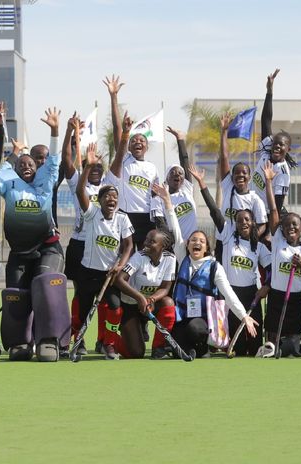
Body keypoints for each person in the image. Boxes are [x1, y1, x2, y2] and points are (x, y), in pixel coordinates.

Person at [0, 107, 70, 361]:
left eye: (30, 164)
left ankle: (49, 339)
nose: (26, 166)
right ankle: (20, 342)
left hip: (47, 248)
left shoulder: (46, 182)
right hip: (19, 252)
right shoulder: (9, 187)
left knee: (44, 282)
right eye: (21, 164)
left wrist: (54, 130)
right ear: (16, 169)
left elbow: (53, 161)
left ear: (37, 169)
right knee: (16, 293)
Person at [188, 164, 271, 356]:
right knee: (239, 349)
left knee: (255, 347)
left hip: (252, 296)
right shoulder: (227, 236)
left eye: (247, 220)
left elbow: (271, 268)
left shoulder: (257, 246)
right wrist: (202, 183)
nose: (243, 223)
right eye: (240, 220)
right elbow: (214, 211)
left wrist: (266, 285)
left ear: (253, 223)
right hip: (231, 295)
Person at [171, 188, 260, 359]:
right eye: (193, 240)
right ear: (188, 244)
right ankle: (191, 347)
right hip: (183, 315)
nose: (197, 243)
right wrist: (168, 202)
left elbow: (229, 294)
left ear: (206, 248)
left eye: (201, 241)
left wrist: (244, 317)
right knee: (177, 347)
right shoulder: (183, 258)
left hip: (205, 320)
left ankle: (205, 347)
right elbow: (174, 228)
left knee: (195, 329)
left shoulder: (214, 267)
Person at [74, 143, 134, 360]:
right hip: (88, 271)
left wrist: (120, 265)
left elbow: (128, 246)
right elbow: (80, 191)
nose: (111, 199)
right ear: (99, 201)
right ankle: (78, 342)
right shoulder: (92, 214)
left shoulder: (122, 219)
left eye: (114, 197)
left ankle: (108, 343)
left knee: (115, 308)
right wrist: (88, 168)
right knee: (82, 309)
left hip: (109, 275)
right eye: (107, 197)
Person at [112, 184, 178, 359]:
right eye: (147, 239)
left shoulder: (170, 259)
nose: (146, 243)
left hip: (151, 304)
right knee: (136, 353)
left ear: (162, 246)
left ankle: (158, 348)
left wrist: (150, 299)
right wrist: (140, 298)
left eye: (151, 241)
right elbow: (119, 280)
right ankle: (112, 342)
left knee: (168, 303)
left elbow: (165, 288)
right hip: (131, 305)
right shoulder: (139, 257)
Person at [262, 161, 301, 356]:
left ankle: (296, 343)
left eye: (295, 225)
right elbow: (274, 210)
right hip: (276, 295)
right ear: (282, 229)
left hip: (295, 298)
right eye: (288, 225)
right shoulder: (278, 242)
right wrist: (269, 182)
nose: (291, 227)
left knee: (291, 349)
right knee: (272, 347)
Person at [214, 113, 268, 261]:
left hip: (243, 244)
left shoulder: (255, 199)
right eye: (236, 173)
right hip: (223, 241)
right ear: (231, 178)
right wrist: (224, 131)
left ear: (249, 178)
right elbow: (224, 157)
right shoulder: (228, 188)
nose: (240, 175)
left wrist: (252, 236)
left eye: (244, 173)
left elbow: (263, 224)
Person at [110, 97, 159, 252]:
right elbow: (117, 129)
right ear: (129, 146)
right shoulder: (124, 159)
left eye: (142, 140)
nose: (138, 142)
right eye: (134, 140)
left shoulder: (152, 168)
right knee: (126, 256)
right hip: (126, 216)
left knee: (145, 259)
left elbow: (156, 195)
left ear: (147, 147)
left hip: (146, 218)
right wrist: (114, 97)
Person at [251, 68, 296, 215]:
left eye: (281, 144)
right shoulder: (266, 152)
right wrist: (269, 91)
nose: (277, 146)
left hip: (263, 216)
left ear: (288, 149)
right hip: (250, 209)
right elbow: (266, 120)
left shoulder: (282, 173)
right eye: (275, 143)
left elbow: (275, 207)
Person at [151, 126, 197, 239]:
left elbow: (185, 162)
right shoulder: (158, 198)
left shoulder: (186, 190)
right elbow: (160, 223)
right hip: (174, 246)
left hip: (192, 243)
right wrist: (173, 244)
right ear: (166, 178)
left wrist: (180, 139)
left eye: (180, 173)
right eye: (173, 173)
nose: (177, 174)